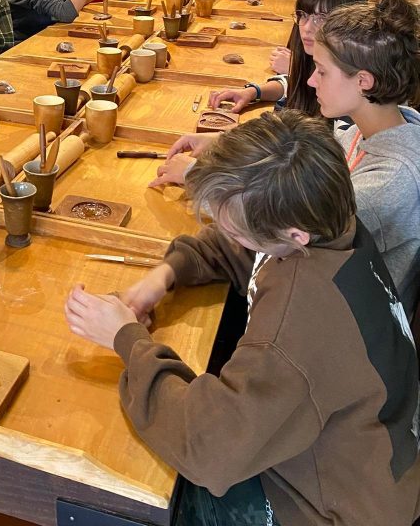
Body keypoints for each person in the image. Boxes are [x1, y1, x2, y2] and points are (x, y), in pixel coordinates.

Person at [65, 110, 420, 526]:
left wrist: (126, 339)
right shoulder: (334, 227)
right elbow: (250, 251)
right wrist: (165, 275)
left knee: (130, 484)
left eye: (235, 229)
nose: (229, 234)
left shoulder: (297, 323)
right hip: (370, 464)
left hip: (332, 509)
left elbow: (206, 448)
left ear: (294, 235)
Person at [310, 0, 420, 314]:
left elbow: (292, 235)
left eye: (322, 71)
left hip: (350, 323)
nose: (312, 81)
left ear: (363, 81)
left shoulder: (385, 184)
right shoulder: (386, 124)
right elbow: (318, 154)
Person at [204, 0, 367, 118]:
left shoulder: (349, 93)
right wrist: (254, 92)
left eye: (321, 18)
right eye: (303, 15)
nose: (307, 28)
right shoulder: (316, 62)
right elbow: (298, 84)